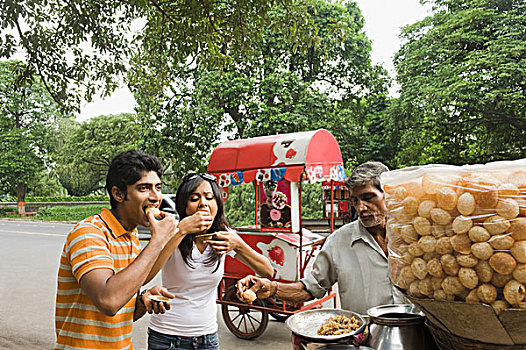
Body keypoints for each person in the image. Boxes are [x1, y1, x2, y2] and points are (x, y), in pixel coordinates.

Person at [237, 161, 406, 316]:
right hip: (366, 340)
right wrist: (272, 288)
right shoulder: (339, 241)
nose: (361, 208)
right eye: (355, 200)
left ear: (388, 193)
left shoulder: (413, 234)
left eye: (368, 198)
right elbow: (310, 289)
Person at [54, 150, 181, 350]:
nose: (156, 197)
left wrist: (141, 301)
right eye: (144, 188)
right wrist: (158, 241)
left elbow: (123, 307)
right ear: (118, 194)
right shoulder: (89, 233)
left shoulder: (131, 235)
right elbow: (109, 301)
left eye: (158, 187)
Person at [147, 173, 274, 350]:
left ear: (218, 204)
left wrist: (238, 245)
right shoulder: (171, 230)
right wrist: (181, 231)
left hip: (207, 338)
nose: (203, 204)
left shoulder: (223, 235)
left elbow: (268, 271)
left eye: (210, 198)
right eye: (194, 198)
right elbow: (147, 274)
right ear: (184, 205)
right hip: (167, 337)